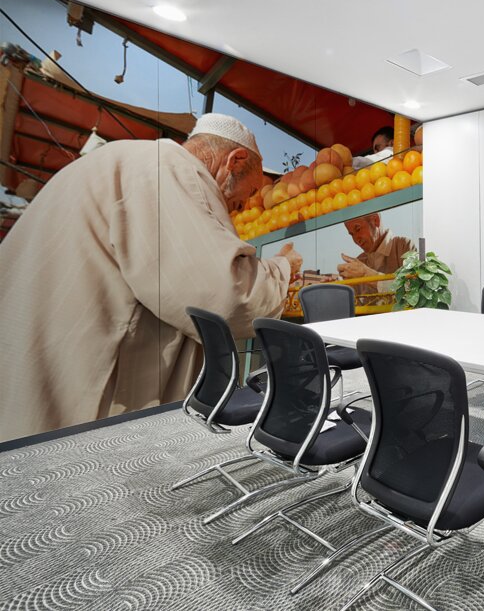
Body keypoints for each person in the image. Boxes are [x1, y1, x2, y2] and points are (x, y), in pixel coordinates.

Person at [0, 113, 303, 442]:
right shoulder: (174, 171)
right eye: (248, 192)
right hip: (81, 395)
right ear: (235, 160)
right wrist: (281, 269)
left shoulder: (121, 160)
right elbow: (222, 295)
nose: (240, 206)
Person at [337, 213, 415, 296]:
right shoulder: (359, 262)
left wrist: (366, 274)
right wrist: (338, 287)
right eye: (352, 234)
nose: (356, 239)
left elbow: (414, 290)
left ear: (375, 220)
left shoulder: (404, 246)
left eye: (358, 229)